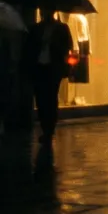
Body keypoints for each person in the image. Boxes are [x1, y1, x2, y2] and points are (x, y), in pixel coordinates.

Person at [25, 8, 73, 143]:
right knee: (40, 98)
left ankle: (49, 130)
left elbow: (67, 45)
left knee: (51, 97)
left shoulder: (61, 28)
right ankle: (45, 126)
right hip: (39, 67)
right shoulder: (36, 28)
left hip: (53, 67)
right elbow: (29, 48)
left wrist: (54, 45)